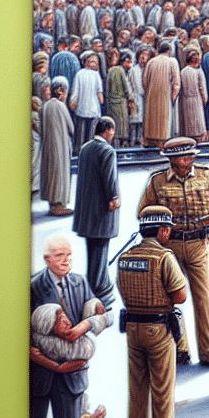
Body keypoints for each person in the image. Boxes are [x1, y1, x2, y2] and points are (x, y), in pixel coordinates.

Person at [138, 137, 209, 368]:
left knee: (204, 298)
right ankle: (180, 349)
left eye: (189, 155)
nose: (186, 160)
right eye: (181, 156)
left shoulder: (206, 175)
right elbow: (142, 212)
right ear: (171, 159)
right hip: (170, 247)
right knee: (172, 299)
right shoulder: (157, 181)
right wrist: (159, 227)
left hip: (198, 244)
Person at [30, 238, 111, 418]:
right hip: (40, 373)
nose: (66, 260)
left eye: (68, 255)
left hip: (72, 374)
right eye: (59, 255)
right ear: (46, 260)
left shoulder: (79, 281)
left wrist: (88, 321)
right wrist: (47, 362)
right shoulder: (33, 287)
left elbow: (99, 314)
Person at [116, 206, 191, 418]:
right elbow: (180, 296)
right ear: (161, 230)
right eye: (167, 229)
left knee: (136, 384)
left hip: (132, 327)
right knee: (161, 386)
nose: (169, 234)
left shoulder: (125, 257)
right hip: (158, 328)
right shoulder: (164, 257)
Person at [72, 118, 121, 306]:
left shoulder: (85, 148)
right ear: (107, 130)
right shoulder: (107, 151)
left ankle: (95, 283)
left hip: (87, 210)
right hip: (102, 208)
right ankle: (99, 288)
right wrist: (114, 198)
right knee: (101, 248)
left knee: (92, 247)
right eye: (112, 131)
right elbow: (110, 178)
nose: (113, 135)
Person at [38, 79, 74, 216]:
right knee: (59, 174)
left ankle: (52, 204)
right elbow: (71, 127)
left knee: (50, 173)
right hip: (60, 146)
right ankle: (58, 205)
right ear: (63, 91)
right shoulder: (60, 106)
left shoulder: (45, 106)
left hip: (47, 146)